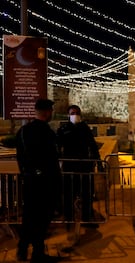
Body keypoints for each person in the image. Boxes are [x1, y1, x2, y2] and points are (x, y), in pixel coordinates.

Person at [15, 98, 61, 262]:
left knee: (29, 217)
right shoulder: (46, 132)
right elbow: (51, 159)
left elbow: (20, 157)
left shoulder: (23, 131)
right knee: (41, 219)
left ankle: (22, 250)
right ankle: (38, 253)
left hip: (29, 181)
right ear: (48, 112)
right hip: (45, 183)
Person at [56, 105, 102, 228]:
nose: (75, 115)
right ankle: (69, 219)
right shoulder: (63, 129)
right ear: (68, 115)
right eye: (72, 113)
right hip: (69, 167)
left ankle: (87, 219)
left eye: (76, 113)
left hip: (85, 166)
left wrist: (99, 163)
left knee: (87, 194)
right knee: (68, 195)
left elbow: (92, 146)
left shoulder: (85, 128)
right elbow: (57, 147)